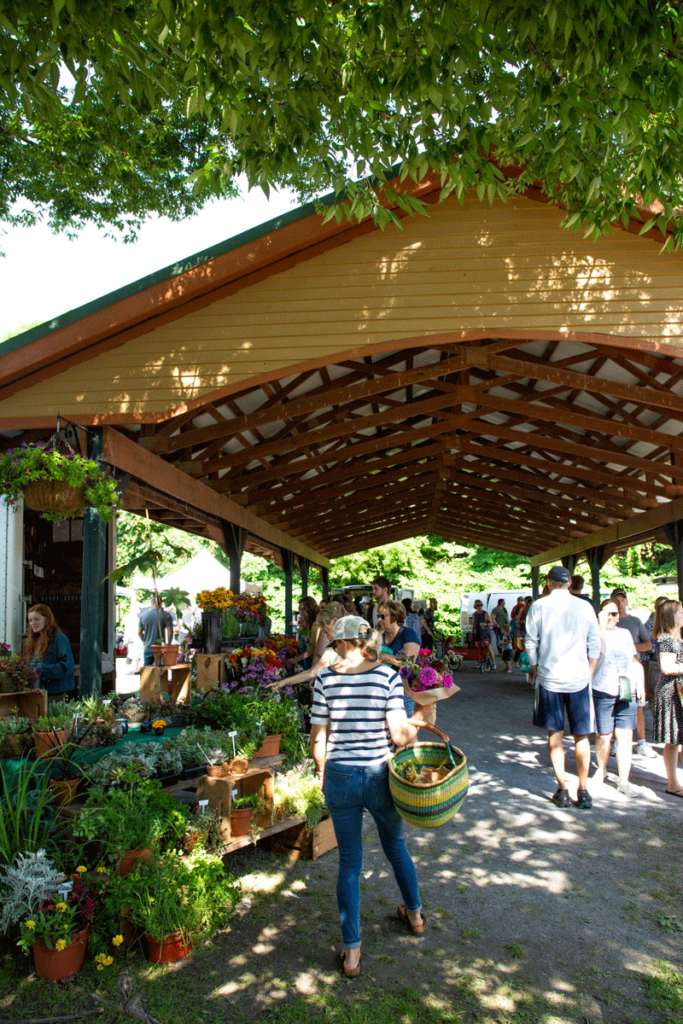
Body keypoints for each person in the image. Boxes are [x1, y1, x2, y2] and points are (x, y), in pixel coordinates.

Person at [309, 616, 429, 977]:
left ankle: (351, 953)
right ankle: (415, 915)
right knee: (395, 846)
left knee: (349, 863)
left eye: (335, 644)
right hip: (379, 774)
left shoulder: (326, 680)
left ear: (345, 644)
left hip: (341, 777)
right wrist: (422, 714)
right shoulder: (386, 676)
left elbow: (318, 740)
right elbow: (400, 734)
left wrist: (321, 773)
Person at [524, 566, 601, 809]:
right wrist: (589, 671)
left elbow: (529, 643)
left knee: (555, 736)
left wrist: (537, 671)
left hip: (550, 679)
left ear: (547, 583)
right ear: (569, 583)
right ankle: (584, 790)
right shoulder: (584, 606)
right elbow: (595, 643)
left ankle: (562, 789)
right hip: (578, 678)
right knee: (582, 736)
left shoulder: (538, 606)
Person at [592, 600, 644, 798]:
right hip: (603, 688)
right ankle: (602, 768)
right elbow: (600, 651)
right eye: (607, 614)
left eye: (615, 613)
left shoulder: (625, 634)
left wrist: (641, 686)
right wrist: (601, 625)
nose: (612, 617)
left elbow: (634, 660)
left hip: (626, 687)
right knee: (603, 735)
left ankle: (624, 780)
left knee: (625, 736)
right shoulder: (596, 634)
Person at [610, 588, 656, 759]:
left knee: (637, 707)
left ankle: (642, 742)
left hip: (631, 669)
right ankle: (617, 741)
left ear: (627, 602)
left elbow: (648, 644)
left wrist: (630, 647)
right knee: (616, 706)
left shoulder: (635, 622)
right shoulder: (609, 622)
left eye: (623, 600)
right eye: (617, 600)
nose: (621, 603)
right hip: (612, 671)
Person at [270, 602, 345, 690]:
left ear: (335, 621)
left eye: (324, 625)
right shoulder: (333, 649)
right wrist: (282, 682)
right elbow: (312, 672)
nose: (323, 630)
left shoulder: (351, 647)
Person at [652, 599, 683, 797]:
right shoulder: (666, 639)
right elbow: (666, 667)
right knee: (673, 739)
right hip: (672, 692)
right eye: (681, 612)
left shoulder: (678, 637)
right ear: (672, 616)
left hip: (678, 691)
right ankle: (672, 783)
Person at [377, 599, 421, 716]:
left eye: (382, 616)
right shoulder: (378, 636)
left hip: (404, 689)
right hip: (382, 688)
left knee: (407, 727)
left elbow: (408, 663)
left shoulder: (407, 634)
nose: (379, 620)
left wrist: (384, 657)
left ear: (395, 617)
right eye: (378, 616)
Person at [23, 604, 75, 697]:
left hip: (56, 692)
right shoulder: (34, 640)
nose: (32, 623)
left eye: (36, 619)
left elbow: (67, 666)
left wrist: (42, 669)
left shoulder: (60, 638)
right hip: (38, 691)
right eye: (30, 620)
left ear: (46, 618)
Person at [138, 596, 173, 667]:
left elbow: (139, 633)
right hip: (161, 648)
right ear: (161, 603)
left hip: (148, 647)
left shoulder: (143, 616)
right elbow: (170, 633)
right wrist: (168, 645)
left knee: (147, 671)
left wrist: (145, 641)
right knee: (161, 672)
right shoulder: (166, 615)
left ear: (152, 602)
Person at [471, 600, 496, 670]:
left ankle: (494, 663)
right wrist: (471, 633)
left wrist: (486, 624)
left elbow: (491, 623)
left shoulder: (485, 614)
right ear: (475, 606)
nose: (480, 607)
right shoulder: (474, 614)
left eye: (481, 605)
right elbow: (474, 625)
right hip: (478, 633)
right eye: (478, 605)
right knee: (478, 647)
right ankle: (479, 662)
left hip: (485, 633)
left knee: (488, 647)